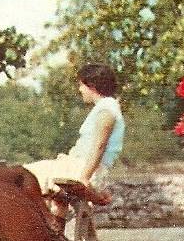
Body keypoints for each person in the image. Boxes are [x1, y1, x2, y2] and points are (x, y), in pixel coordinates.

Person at [26, 63, 125, 194]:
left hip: (85, 169)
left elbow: (100, 146)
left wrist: (84, 178)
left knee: (25, 175)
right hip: (81, 166)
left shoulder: (106, 111)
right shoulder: (104, 108)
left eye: (81, 85)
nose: (80, 90)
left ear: (92, 86)